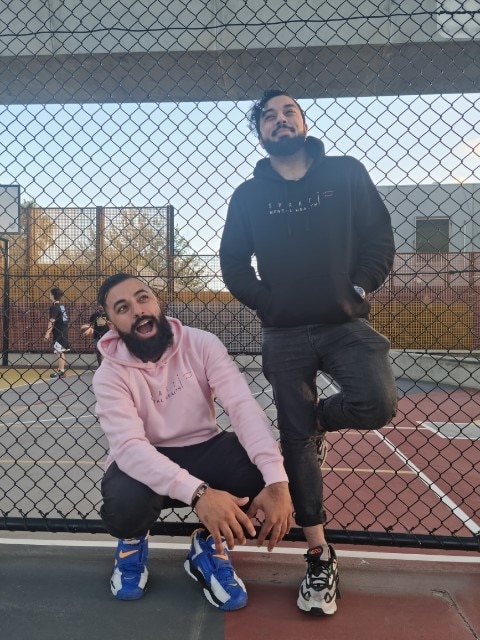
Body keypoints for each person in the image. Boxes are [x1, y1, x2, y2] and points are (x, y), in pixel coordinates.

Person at [219, 89, 398, 617]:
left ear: (303, 121)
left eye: (288, 112)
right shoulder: (248, 195)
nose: (280, 121)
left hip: (345, 322)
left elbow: (378, 238)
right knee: (295, 440)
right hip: (286, 333)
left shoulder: (345, 173)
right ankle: (319, 556)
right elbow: (233, 266)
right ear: (260, 133)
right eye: (269, 117)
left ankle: (317, 419)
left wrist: (359, 287)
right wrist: (269, 304)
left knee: (377, 403)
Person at [92, 273, 292, 609]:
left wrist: (277, 478)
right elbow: (129, 447)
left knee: (267, 476)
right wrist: (199, 494)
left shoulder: (201, 344)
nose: (138, 310)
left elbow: (242, 407)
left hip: (205, 447)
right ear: (112, 323)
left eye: (143, 298)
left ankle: (209, 547)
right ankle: (131, 545)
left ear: (157, 302)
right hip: (148, 456)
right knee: (125, 499)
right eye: (123, 307)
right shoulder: (109, 374)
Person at [43, 286, 70, 379]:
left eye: (50, 294)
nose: (49, 295)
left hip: (59, 332)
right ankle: (61, 369)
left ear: (53, 295)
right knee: (61, 352)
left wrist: (47, 333)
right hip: (64, 331)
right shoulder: (62, 306)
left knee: (60, 352)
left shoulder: (54, 307)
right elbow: (65, 320)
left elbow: (52, 320)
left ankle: (61, 372)